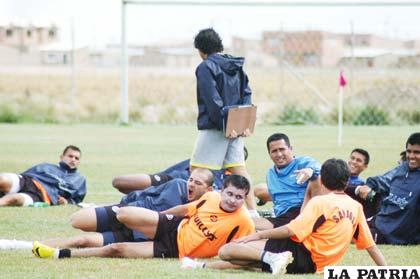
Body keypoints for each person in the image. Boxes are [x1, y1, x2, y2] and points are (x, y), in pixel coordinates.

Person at [182, 159, 387, 275]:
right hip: (317, 265)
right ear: (346, 182)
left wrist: (255, 236)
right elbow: (371, 246)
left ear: (323, 180)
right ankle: (200, 266)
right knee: (249, 259)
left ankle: (272, 257)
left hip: (301, 255)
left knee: (228, 250)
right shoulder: (355, 206)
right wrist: (387, 271)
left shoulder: (321, 202)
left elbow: (290, 230)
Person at [33, 174, 255, 259]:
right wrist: (157, 218)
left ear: (245, 198)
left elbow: (241, 249)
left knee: (115, 250)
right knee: (123, 213)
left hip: (173, 249)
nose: (232, 200)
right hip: (171, 226)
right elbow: (184, 210)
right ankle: (36, 244)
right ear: (221, 190)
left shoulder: (243, 221)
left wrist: (206, 260)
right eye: (230, 194)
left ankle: (59, 254)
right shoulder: (212, 197)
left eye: (239, 197)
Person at [25, 168, 214, 250]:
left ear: (208, 189)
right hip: (125, 210)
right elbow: (145, 193)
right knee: (77, 220)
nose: (192, 184)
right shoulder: (177, 184)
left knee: (83, 241)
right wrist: (127, 202)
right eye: (191, 180)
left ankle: (34, 246)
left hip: (134, 235)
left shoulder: (201, 210)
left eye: (197, 183)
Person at [190, 28, 257, 214]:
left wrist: (225, 125)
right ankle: (252, 213)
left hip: (216, 127)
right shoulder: (236, 65)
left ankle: (199, 212)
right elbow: (247, 95)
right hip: (236, 126)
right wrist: (242, 123)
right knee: (239, 170)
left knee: (197, 170)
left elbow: (212, 101)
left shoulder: (205, 67)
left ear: (201, 49)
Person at [253, 133, 321, 230]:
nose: (279, 154)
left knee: (251, 223)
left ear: (290, 149)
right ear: (269, 154)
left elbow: (319, 168)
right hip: (281, 215)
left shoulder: (302, 162)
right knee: (246, 221)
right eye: (274, 151)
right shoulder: (270, 173)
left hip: (300, 212)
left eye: (282, 149)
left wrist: (310, 170)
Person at [112, 147, 248, 194]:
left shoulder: (232, 179)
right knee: (120, 183)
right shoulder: (206, 161)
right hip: (177, 180)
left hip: (179, 190)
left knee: (123, 187)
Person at [367, 132, 420, 245]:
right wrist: (368, 185)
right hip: (379, 220)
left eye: (416, 152)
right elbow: (382, 180)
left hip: (392, 234)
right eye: (408, 151)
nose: (411, 156)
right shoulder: (402, 168)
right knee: (345, 225)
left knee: (351, 234)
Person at [0, 145, 86, 206]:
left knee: (14, 199)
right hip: (28, 181)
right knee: (3, 179)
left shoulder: (79, 179)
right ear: (62, 157)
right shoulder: (46, 166)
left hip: (42, 196)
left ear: (79, 162)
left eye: (76, 158)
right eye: (70, 156)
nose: (73, 159)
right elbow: (24, 175)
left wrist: (66, 202)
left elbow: (77, 201)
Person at [344, 148, 379, 218]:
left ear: (365, 167)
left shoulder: (364, 188)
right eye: (352, 158)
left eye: (358, 160)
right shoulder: (336, 175)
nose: (354, 162)